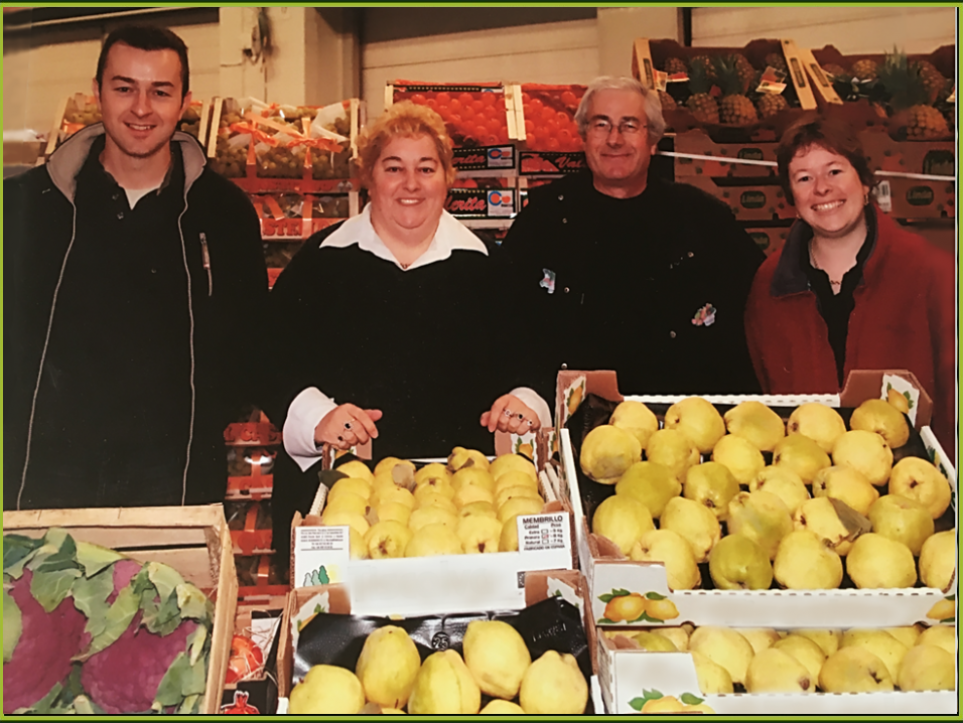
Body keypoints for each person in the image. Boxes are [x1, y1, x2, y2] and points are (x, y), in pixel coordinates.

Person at [267, 101, 550, 572]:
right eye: (393, 167)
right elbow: (267, 354)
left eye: (426, 168)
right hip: (342, 505)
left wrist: (524, 400)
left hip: (465, 509)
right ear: (368, 177)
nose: (411, 184)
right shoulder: (322, 262)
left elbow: (536, 356)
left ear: (447, 178)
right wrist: (315, 415)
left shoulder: (490, 267)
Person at [5, 25, 268, 510]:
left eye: (160, 92)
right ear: (97, 93)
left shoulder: (224, 213)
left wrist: (204, 413)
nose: (141, 108)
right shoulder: (26, 206)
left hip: (175, 476)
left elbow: (251, 340)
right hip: (44, 477)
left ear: (185, 101)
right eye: (124, 88)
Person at [502, 76, 765, 404]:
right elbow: (506, 319)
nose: (614, 139)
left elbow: (760, 299)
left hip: (681, 424)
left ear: (653, 140)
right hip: (571, 421)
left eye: (629, 126)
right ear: (583, 136)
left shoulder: (704, 219)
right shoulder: (543, 218)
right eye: (601, 124)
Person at [745, 114, 956, 457]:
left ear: (866, 182)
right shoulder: (769, 286)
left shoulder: (929, 271)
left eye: (834, 171)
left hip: (918, 483)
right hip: (807, 486)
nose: (822, 188)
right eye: (804, 178)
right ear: (791, 200)